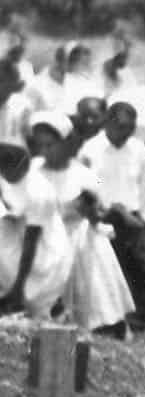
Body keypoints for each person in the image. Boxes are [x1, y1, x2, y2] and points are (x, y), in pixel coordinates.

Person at [29, 110, 132, 335]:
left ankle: (91, 326)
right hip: (44, 240)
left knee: (87, 292)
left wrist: (89, 209)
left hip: (78, 241)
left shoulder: (84, 174)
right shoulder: (34, 170)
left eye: (51, 145)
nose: (46, 152)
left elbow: (100, 206)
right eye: (41, 146)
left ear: (66, 143)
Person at [80, 99, 145, 330]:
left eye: (130, 128)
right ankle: (121, 325)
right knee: (116, 276)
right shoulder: (91, 150)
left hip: (135, 219)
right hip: (106, 219)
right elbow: (92, 183)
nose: (125, 133)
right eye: (121, 127)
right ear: (108, 122)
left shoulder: (137, 149)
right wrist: (110, 206)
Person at [0, 131, 71, 318]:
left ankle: (34, 303)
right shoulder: (5, 177)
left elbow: (31, 243)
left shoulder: (38, 191)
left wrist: (18, 286)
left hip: (43, 244)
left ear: (22, 166)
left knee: (33, 292)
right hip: (17, 226)